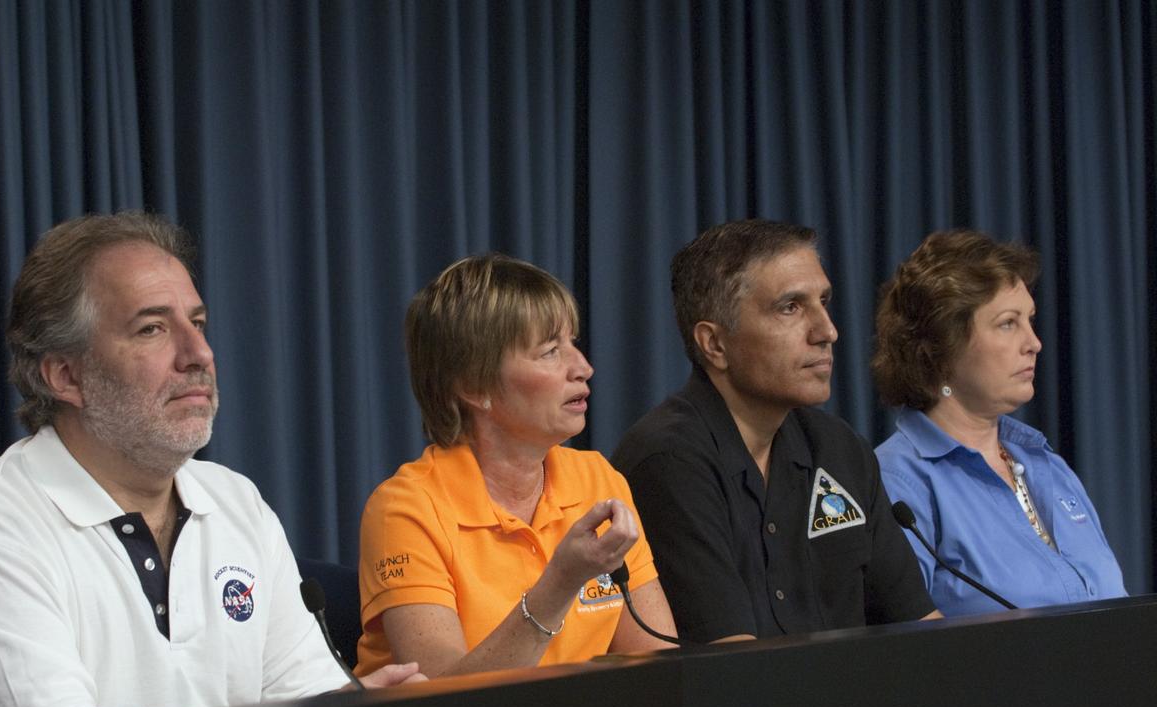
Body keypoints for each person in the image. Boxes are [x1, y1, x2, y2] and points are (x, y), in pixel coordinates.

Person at [0, 212, 421, 707]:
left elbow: (305, 706)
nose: (200, 354)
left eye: (197, 324)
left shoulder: (237, 502)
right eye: (152, 329)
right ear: (66, 375)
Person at [612, 220, 940, 643]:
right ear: (714, 344)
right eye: (791, 307)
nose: (827, 331)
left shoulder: (840, 449)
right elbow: (732, 668)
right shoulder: (669, 462)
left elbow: (921, 631)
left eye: (824, 301)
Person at [355, 254, 677, 678]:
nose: (583, 367)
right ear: (474, 385)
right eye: (549, 352)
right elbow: (440, 702)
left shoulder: (598, 479)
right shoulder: (407, 508)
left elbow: (658, 668)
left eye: (573, 343)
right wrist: (561, 581)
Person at [872, 229, 1127, 615]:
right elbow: (905, 650)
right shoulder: (898, 480)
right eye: (1008, 323)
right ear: (943, 346)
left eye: (1030, 319)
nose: (1034, 342)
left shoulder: (1046, 464)